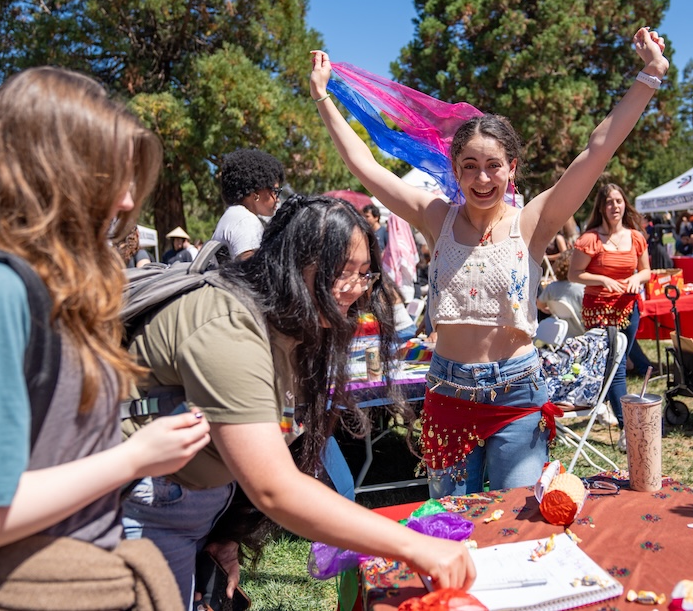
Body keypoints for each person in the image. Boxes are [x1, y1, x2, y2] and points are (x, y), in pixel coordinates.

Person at [309, 26, 669, 498]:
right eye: (471, 166)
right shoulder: (434, 217)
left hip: (517, 396)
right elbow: (367, 167)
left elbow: (596, 151)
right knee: (453, 525)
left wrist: (650, 75)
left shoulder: (534, 222)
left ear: (512, 168)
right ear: (455, 170)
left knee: (518, 526)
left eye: (494, 165)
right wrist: (322, 99)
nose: (482, 178)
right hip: (448, 393)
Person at [0, 67, 211, 611]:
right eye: (112, 177)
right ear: (50, 172)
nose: (127, 201)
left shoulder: (53, 293)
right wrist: (134, 459)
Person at [121, 195, 475, 606]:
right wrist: (415, 546)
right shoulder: (228, 327)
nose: (355, 290)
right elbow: (274, 486)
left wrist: (223, 535)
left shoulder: (293, 327)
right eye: (341, 273)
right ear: (293, 263)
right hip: (144, 510)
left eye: (365, 275)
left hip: (194, 505)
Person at [568, 184, 651, 451]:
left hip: (628, 308)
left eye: (618, 201)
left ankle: (604, 405)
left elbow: (646, 271)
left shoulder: (636, 237)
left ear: (624, 204)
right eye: (609, 202)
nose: (615, 206)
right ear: (601, 207)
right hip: (599, 309)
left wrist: (637, 277)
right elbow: (574, 274)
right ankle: (628, 428)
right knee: (615, 367)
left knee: (620, 363)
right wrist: (603, 278)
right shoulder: (590, 239)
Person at [210, 148, 285, 261]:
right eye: (275, 191)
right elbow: (252, 274)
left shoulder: (233, 215)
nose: (278, 200)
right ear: (256, 193)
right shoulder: (246, 221)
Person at [536, 249, 586, 337]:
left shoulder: (552, 287)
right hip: (584, 332)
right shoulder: (583, 289)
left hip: (562, 334)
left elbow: (540, 305)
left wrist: (553, 309)